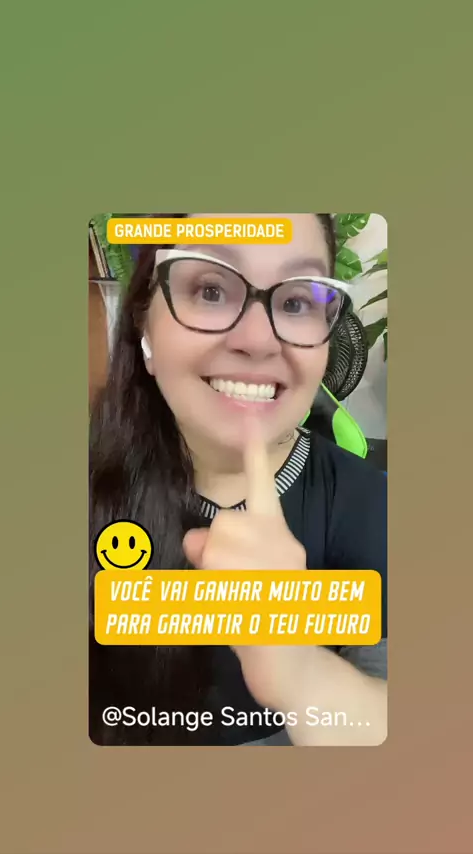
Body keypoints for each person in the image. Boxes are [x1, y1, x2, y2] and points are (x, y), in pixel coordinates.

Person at [89, 213, 387, 747]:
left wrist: (302, 675)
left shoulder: (373, 509)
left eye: (295, 302)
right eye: (210, 290)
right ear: (144, 327)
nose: (258, 340)